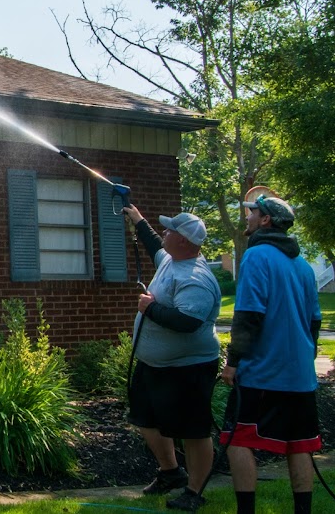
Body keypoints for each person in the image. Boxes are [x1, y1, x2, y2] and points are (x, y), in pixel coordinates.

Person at [220, 194, 322, 514]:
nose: (248, 217)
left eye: (252, 213)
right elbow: (314, 322)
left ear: (265, 221)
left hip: (263, 373)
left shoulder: (256, 256)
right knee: (299, 444)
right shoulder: (303, 266)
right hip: (301, 375)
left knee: (237, 439)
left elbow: (249, 315)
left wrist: (233, 362)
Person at [122, 206, 222, 512]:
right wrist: (137, 218)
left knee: (193, 431)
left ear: (184, 241)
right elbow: (154, 243)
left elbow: (187, 322)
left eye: (170, 230)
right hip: (154, 365)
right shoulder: (170, 259)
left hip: (188, 369)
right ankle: (170, 473)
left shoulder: (195, 277)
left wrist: (149, 309)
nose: (164, 233)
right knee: (145, 419)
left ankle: (195, 491)